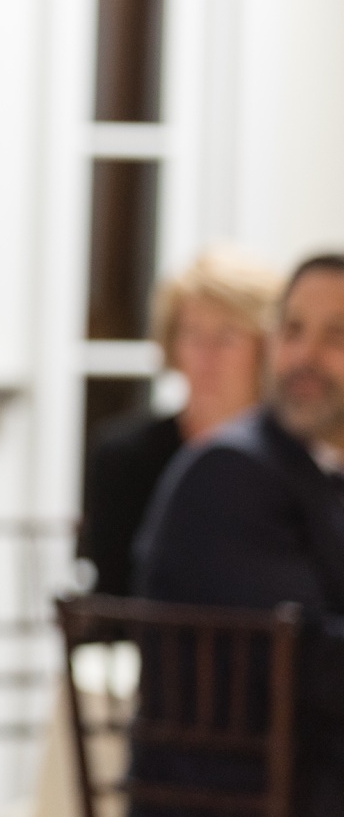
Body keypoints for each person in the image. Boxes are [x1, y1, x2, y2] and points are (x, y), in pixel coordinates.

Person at [135, 254, 344, 815]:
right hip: (235, 797)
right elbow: (315, 671)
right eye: (294, 329)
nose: (306, 357)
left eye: (336, 336)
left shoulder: (315, 468)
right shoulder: (231, 473)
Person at [80, 249, 280, 595]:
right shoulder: (125, 457)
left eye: (228, 337)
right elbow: (115, 595)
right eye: (191, 335)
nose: (206, 357)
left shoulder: (293, 460)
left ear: (266, 350)